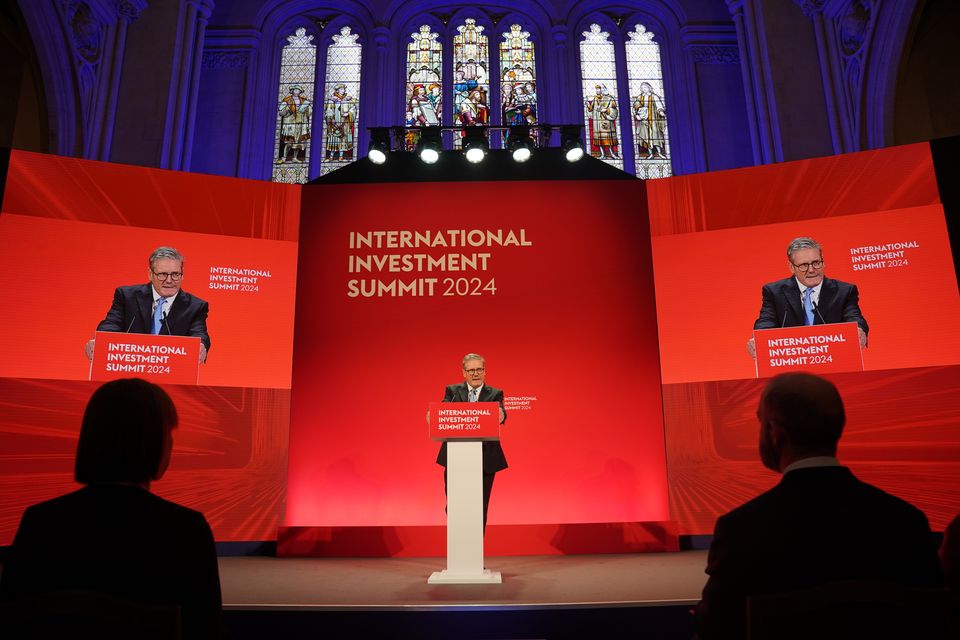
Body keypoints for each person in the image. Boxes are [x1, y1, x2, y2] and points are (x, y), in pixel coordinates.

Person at [695, 372, 943, 639]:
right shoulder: (906, 522)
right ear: (839, 425)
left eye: (761, 422)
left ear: (775, 432)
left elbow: (715, 630)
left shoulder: (740, 531)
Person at [0, 378, 223, 639]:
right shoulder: (187, 531)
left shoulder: (40, 523)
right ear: (154, 442)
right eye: (169, 433)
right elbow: (207, 630)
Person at [85, 246, 210, 364]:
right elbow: (112, 323)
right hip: (130, 368)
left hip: (170, 372)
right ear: (150, 274)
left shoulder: (195, 306)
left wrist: (200, 345)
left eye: (175, 274)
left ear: (182, 274)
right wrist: (100, 341)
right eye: (162, 274)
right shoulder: (127, 296)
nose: (169, 280)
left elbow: (199, 333)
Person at [747, 237, 868, 358]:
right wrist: (759, 340)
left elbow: (854, 317)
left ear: (823, 262)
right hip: (792, 362)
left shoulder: (844, 291)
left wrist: (858, 330)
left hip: (834, 358)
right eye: (804, 265)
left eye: (816, 263)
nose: (811, 270)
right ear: (792, 267)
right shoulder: (775, 292)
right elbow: (767, 321)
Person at [436, 353, 507, 529]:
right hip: (456, 457)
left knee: (480, 506)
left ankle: (476, 549)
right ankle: (457, 544)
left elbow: (501, 411)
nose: (476, 374)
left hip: (485, 458)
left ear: (484, 371)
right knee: (454, 504)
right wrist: (435, 416)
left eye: (479, 369)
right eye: (471, 370)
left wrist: (502, 415)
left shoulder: (495, 393)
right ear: (464, 373)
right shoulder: (452, 391)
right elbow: (443, 409)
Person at [277, 84, 312, 162]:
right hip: (290, 123)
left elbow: (309, 112)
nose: (297, 92)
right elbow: (281, 112)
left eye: (298, 90)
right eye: (295, 90)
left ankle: (295, 158)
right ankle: (284, 158)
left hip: (300, 123)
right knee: (289, 142)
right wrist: (287, 110)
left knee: (298, 142)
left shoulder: (303, 100)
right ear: (292, 91)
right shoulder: (287, 100)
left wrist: (306, 108)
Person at [633, 82, 667, 159]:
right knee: (646, 137)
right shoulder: (639, 97)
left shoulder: (654, 96)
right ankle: (650, 153)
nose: (643, 89)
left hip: (653, 119)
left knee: (655, 136)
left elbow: (659, 106)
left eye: (645, 87)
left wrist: (661, 112)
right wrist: (637, 115)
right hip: (643, 121)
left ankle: (659, 153)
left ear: (649, 87)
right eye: (642, 88)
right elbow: (635, 107)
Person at [323, 83, 357, 161]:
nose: (343, 91)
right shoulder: (332, 100)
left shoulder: (348, 99)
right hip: (335, 122)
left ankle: (341, 157)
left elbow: (353, 108)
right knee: (334, 138)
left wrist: (348, 113)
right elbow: (328, 110)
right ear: (337, 90)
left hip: (344, 123)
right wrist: (331, 118)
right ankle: (331, 157)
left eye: (344, 89)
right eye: (341, 89)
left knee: (343, 138)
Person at [585, 84, 620, 160]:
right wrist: (588, 106)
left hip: (606, 121)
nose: (597, 91)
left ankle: (612, 154)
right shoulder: (595, 98)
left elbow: (614, 109)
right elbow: (591, 109)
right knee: (599, 140)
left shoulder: (609, 98)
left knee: (609, 139)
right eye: (596, 89)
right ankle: (603, 154)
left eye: (599, 89)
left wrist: (607, 110)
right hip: (597, 122)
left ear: (602, 90)